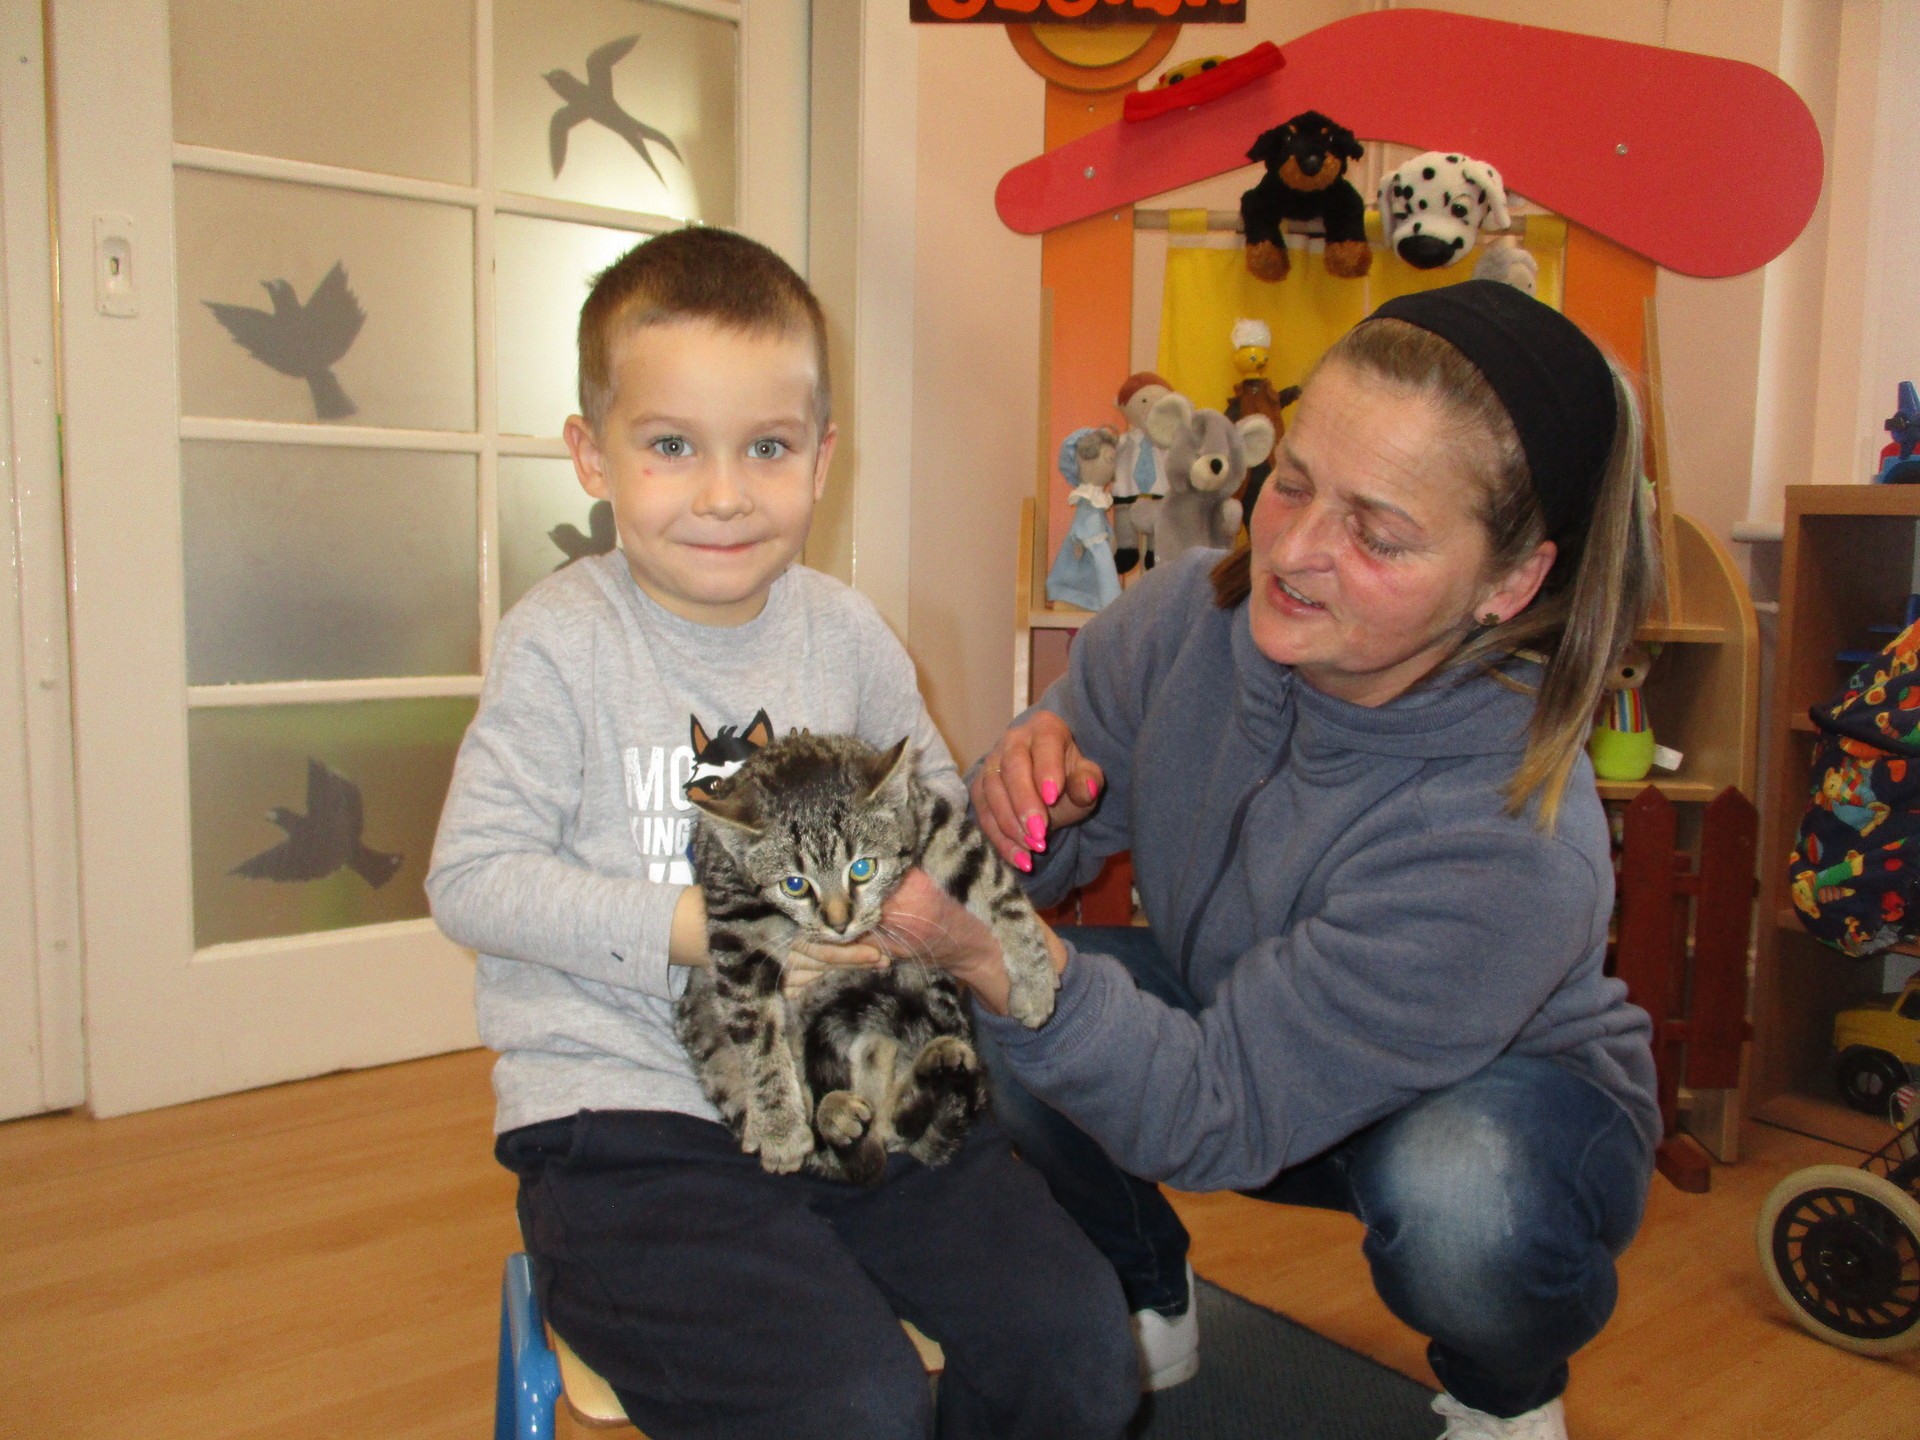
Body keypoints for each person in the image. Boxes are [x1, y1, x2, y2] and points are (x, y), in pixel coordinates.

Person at [876, 280, 1662, 1440]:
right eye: (1291, 481)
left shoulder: (1510, 837)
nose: (1291, 550)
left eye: (1378, 533)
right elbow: (1015, 877)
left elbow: (1219, 1113)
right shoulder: (1179, 620)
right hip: (1244, 1023)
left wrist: (1007, 956)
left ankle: (1507, 1394)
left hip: (1493, 1101)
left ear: (1511, 582)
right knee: (972, 1009)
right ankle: (1147, 1291)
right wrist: (1025, 811)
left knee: (1462, 1197)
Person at [426, 227, 1136, 1440]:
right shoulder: (562, 640)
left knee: (1078, 1344)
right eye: (670, 445)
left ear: (821, 457)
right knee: (852, 1404)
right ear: (592, 455)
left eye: (766, 446)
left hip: (863, 1094)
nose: (724, 493)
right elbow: (473, 881)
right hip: (627, 1129)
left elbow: (934, 818)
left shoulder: (845, 632)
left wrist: (1012, 824)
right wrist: (710, 926)